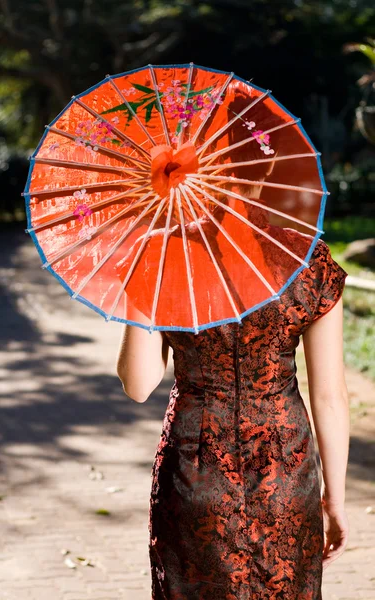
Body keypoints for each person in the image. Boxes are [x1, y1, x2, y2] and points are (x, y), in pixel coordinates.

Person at [116, 83, 350, 599]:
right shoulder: (306, 260)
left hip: (194, 473)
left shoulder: (166, 254)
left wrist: (143, 266)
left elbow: (138, 386)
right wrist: (334, 498)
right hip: (285, 472)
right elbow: (330, 397)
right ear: (267, 168)